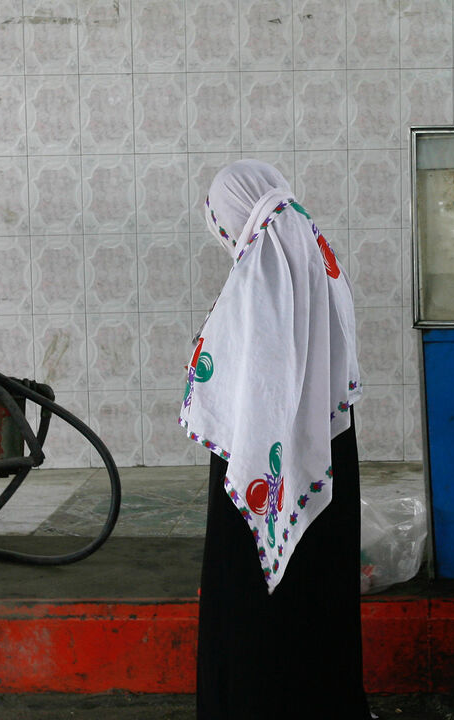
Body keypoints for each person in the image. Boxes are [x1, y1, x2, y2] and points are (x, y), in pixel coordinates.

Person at [180, 159, 368, 719]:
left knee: (253, 600)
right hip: (327, 454)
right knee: (320, 591)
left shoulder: (258, 275)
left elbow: (252, 390)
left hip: (262, 458)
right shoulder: (316, 254)